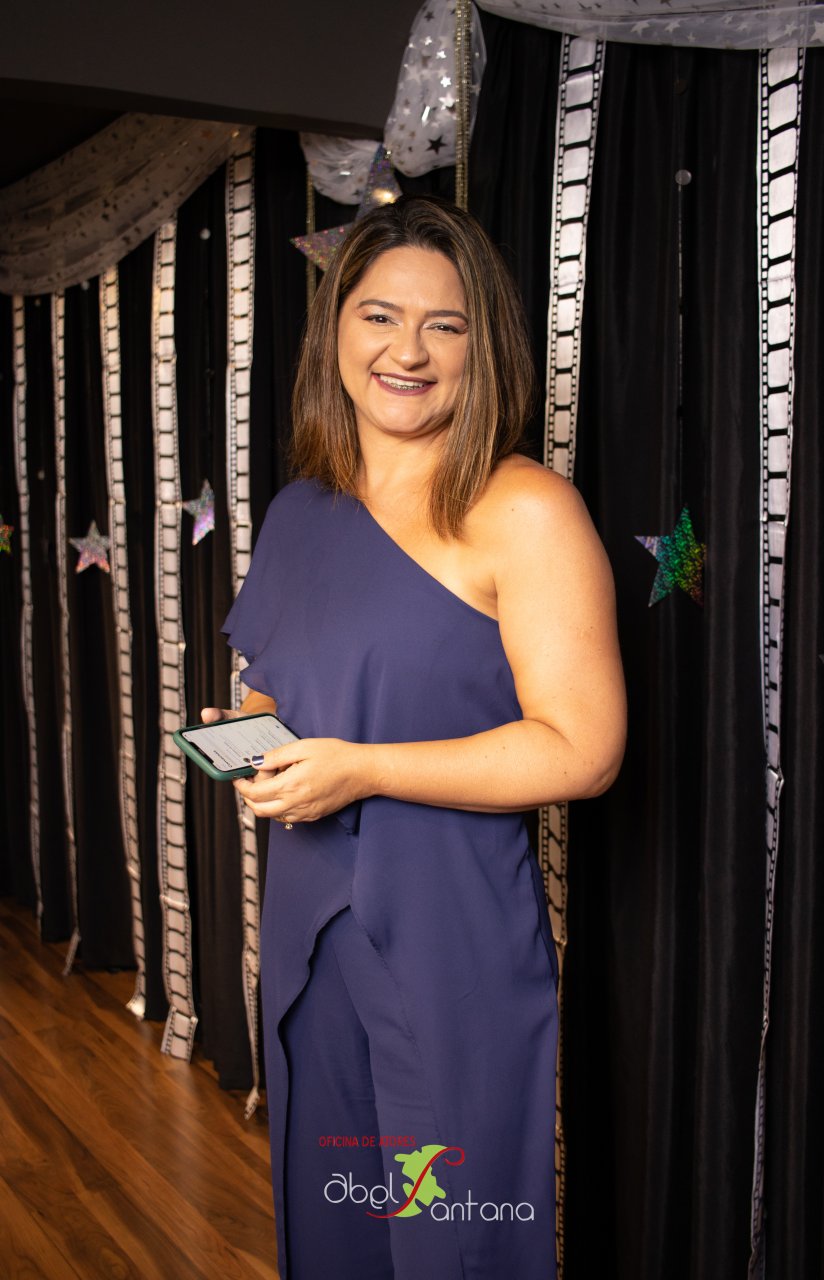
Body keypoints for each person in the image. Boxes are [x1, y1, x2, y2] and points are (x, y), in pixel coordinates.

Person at [202, 195, 626, 1280]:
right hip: (308, 928)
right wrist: (249, 736)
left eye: (445, 324)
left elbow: (582, 748)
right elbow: (276, 688)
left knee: (456, 1239)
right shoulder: (300, 510)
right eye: (380, 315)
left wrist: (361, 770)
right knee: (335, 1221)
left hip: (448, 940)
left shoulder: (524, 508)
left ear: (485, 346)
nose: (407, 350)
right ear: (335, 328)